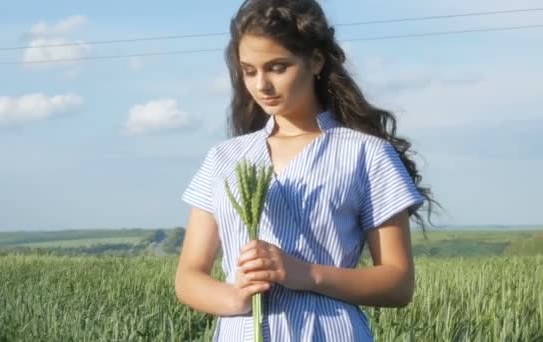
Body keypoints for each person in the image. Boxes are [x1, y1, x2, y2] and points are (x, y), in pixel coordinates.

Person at [175, 0, 439, 341]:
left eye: (278, 67)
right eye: (250, 70)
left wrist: (305, 273)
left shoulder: (367, 154)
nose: (261, 85)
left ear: (315, 61)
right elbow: (188, 277)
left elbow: (398, 284)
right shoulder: (225, 157)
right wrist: (235, 297)